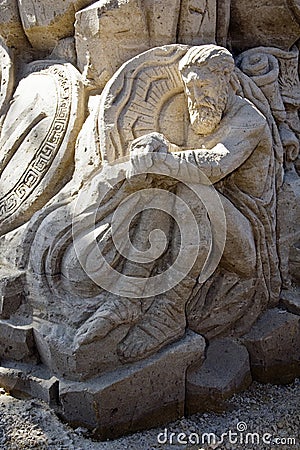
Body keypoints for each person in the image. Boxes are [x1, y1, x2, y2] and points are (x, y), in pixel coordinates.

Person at [30, 45, 280, 362]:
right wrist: (154, 148)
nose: (195, 96)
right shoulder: (205, 116)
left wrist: (162, 160)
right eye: (190, 89)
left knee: (194, 193)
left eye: (202, 86)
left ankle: (169, 311)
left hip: (246, 243)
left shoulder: (249, 120)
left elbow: (216, 163)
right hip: (212, 230)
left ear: (225, 79)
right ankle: (128, 297)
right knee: (160, 185)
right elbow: (184, 155)